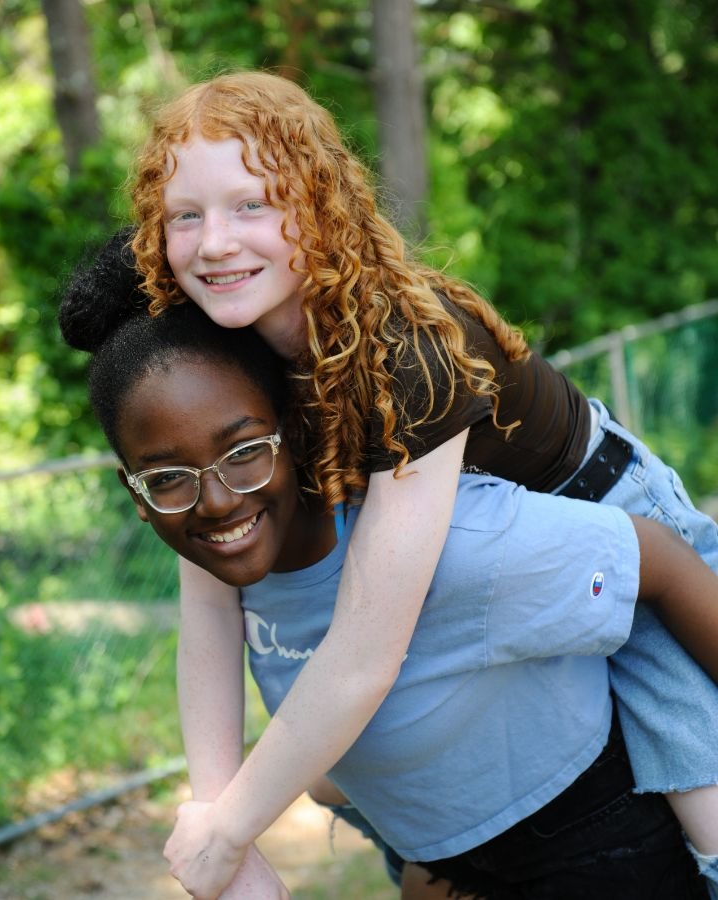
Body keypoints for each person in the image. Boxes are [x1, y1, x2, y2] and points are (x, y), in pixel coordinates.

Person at [126, 69, 718, 896]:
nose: (215, 241)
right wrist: (214, 813)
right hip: (473, 558)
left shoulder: (402, 350)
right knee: (362, 772)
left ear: (319, 204)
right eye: (186, 216)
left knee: (705, 815)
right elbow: (210, 605)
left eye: (251, 205)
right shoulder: (230, 341)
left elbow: (367, 650)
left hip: (598, 512)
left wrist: (232, 827)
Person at [58, 288, 717, 899]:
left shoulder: (454, 543)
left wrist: (229, 832)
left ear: (293, 431)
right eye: (169, 477)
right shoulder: (230, 552)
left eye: (245, 452)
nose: (218, 498)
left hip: (589, 841)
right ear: (136, 494)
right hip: (445, 851)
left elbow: (655, 555)